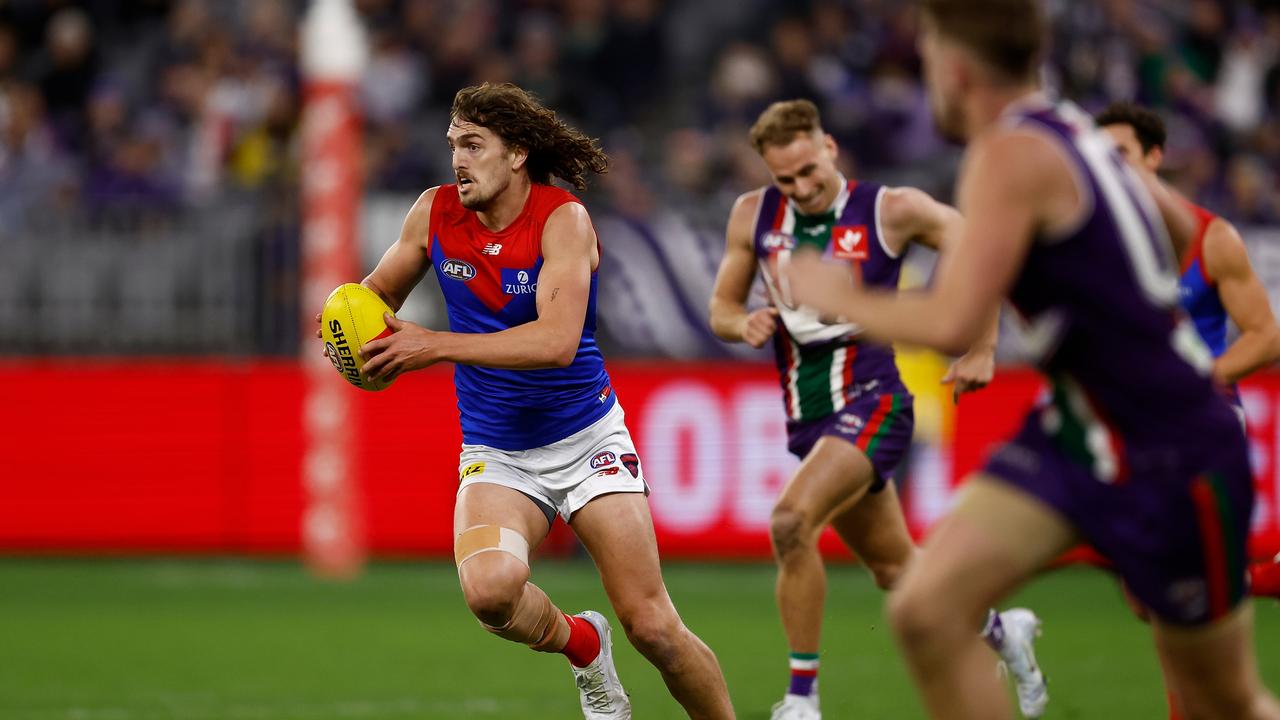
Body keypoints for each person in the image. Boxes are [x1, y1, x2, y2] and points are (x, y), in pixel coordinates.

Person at [784, 1, 1280, 718]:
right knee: (928, 608)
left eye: (927, 63)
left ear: (955, 69)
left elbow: (952, 318)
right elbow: (1176, 230)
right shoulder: (1078, 134)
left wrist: (838, 293)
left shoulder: (1007, 154)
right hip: (1080, 431)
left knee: (1226, 699)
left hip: (1171, 448)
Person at [320, 83, 735, 720]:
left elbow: (558, 341)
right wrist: (348, 334)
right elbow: (372, 299)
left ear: (515, 154)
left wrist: (434, 345)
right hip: (498, 451)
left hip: (588, 441)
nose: (458, 160)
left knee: (653, 628)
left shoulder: (561, 219)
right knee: (489, 593)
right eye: (453, 145)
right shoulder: (432, 215)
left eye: (473, 145)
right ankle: (585, 646)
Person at [709, 98, 1047, 720]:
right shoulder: (752, 216)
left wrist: (983, 345)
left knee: (790, 522)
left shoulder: (892, 210)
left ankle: (801, 700)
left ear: (830, 147)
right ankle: (1005, 632)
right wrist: (744, 321)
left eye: (810, 170)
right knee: (896, 569)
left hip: (876, 401)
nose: (803, 187)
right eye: (786, 178)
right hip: (809, 415)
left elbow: (983, 249)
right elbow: (722, 308)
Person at [1097, 101, 1280, 718]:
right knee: (1145, 597)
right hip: (1133, 428)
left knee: (1172, 594)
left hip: (1201, 425)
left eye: (1121, 154)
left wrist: (1197, 380)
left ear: (1154, 157)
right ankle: (1259, 580)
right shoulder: (1101, 244)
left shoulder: (1213, 237)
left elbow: (1266, 334)